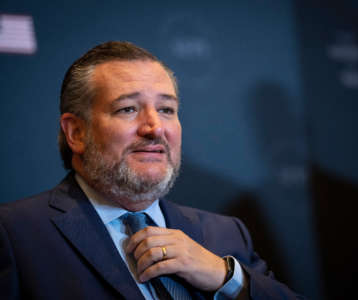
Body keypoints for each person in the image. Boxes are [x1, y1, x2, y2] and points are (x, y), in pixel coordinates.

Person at [0, 41, 302, 299]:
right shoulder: (15, 234)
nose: (155, 127)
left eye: (167, 109)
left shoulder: (225, 235)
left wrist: (225, 277)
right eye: (128, 109)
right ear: (76, 132)